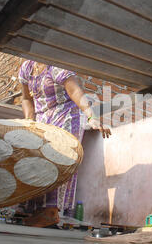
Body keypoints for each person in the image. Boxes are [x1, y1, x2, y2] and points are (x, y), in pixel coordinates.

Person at [17, 60, 111, 227]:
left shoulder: (56, 65)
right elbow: (25, 98)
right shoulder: (27, 67)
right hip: (43, 118)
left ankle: (51, 212)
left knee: (58, 158)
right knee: (35, 158)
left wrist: (92, 116)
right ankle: (35, 209)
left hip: (66, 115)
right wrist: (29, 122)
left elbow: (75, 90)